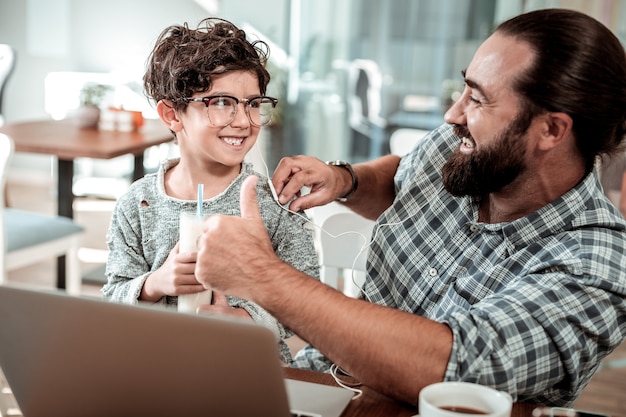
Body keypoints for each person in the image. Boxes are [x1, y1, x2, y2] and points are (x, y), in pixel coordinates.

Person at [193, 8, 626, 407]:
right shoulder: (462, 151)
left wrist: (261, 275)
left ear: (551, 129)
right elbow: (404, 177)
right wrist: (346, 179)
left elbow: (457, 366)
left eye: (477, 99)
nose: (453, 114)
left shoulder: (597, 263)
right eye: (463, 89)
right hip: (326, 386)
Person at [101, 18, 320, 365]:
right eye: (221, 102)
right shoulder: (137, 204)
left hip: (249, 369)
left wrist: (245, 320)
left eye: (252, 103)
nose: (243, 120)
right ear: (173, 114)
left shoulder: (276, 203)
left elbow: (309, 300)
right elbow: (112, 299)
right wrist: (155, 284)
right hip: (159, 370)